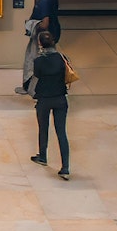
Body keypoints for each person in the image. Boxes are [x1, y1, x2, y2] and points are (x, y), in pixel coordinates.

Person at [28, 32, 71, 180]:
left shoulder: (38, 61)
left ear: (40, 44)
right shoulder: (61, 58)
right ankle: (65, 167)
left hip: (44, 99)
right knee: (61, 133)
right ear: (53, 42)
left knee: (43, 128)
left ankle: (43, 155)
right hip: (60, 99)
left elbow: (36, 78)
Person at [19, 0, 61, 94]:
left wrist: (32, 26)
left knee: (34, 60)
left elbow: (45, 23)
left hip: (42, 36)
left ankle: (32, 88)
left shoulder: (45, 1)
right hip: (52, 33)